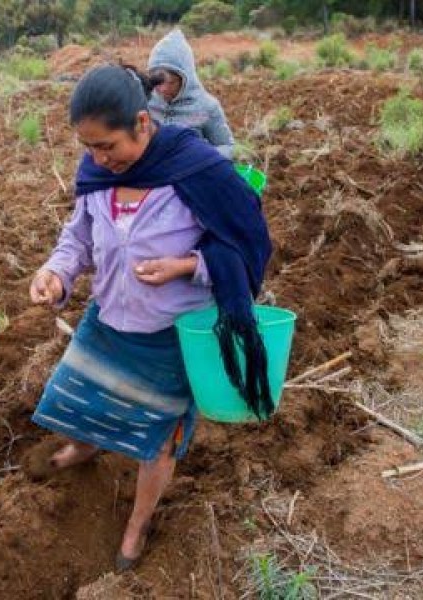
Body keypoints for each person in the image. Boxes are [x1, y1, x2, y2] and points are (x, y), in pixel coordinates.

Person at [29, 65, 272, 572]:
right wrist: (57, 272)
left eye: (107, 146)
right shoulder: (98, 176)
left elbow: (244, 248)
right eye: (88, 147)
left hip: (170, 338)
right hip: (108, 322)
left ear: (142, 122)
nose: (98, 158)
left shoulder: (197, 172)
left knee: (157, 441)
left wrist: (187, 265)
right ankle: (85, 446)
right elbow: (77, 237)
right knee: (72, 398)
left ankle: (136, 527)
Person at [147, 29, 235, 159]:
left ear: (185, 79)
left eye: (171, 83)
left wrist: (199, 158)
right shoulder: (145, 100)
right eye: (158, 82)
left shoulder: (207, 107)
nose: (163, 89)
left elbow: (227, 147)